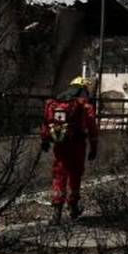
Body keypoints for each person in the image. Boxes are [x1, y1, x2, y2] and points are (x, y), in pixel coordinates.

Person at [41, 76, 99, 224]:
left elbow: (46, 123)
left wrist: (45, 140)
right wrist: (94, 148)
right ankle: (73, 207)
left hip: (60, 145)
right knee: (75, 175)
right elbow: (92, 128)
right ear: (83, 89)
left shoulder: (54, 103)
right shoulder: (84, 106)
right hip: (77, 145)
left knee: (59, 176)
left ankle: (56, 212)